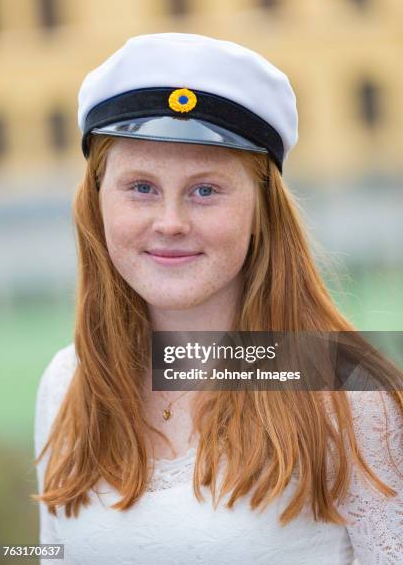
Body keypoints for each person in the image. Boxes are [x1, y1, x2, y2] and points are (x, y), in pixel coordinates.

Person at [32, 32, 403, 564]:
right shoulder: (66, 382)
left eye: (206, 190)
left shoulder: (346, 393)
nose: (171, 223)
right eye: (141, 186)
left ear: (262, 212)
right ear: (96, 203)